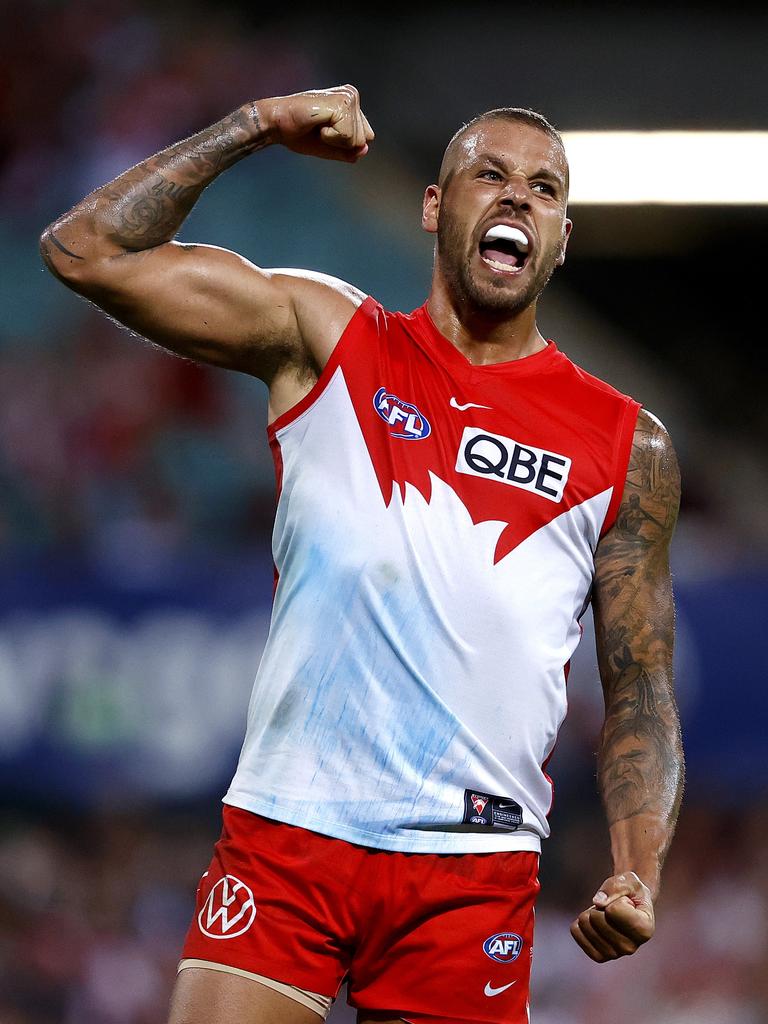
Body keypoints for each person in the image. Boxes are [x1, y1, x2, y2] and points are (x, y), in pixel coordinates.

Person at [41, 85, 684, 1024]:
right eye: (489, 176)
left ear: (562, 235)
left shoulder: (630, 447)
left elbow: (641, 682)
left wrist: (637, 872)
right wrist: (254, 125)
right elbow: (84, 252)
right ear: (434, 207)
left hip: (472, 872)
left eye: (543, 189)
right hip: (290, 833)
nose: (516, 199)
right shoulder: (328, 337)